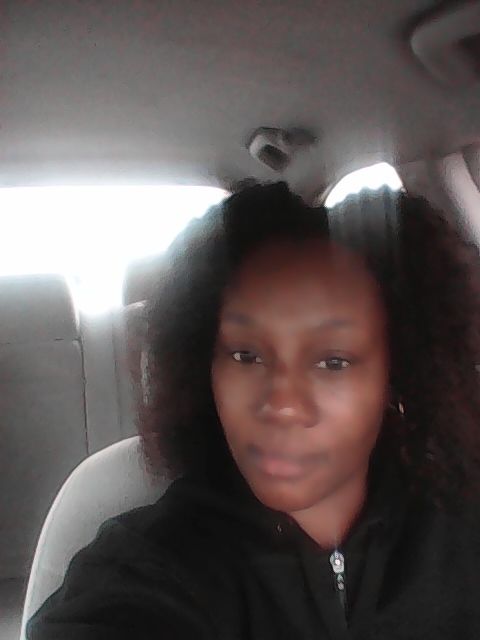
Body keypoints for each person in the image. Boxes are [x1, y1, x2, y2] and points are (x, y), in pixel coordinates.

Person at [28, 182, 480, 639]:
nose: (282, 404)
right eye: (246, 355)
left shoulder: (459, 531)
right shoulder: (147, 567)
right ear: (204, 368)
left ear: (396, 376)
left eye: (332, 362)